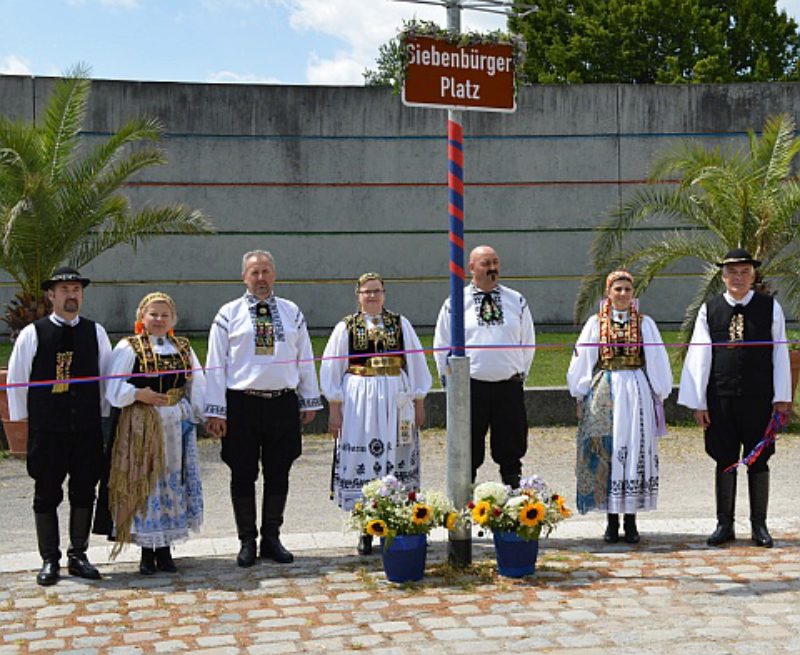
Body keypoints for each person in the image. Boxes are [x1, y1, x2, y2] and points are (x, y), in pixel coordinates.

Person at [204, 250, 322, 567]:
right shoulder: (228, 314)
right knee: (242, 474)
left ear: (274, 275)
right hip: (241, 404)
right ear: (244, 277)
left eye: (266, 271)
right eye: (254, 272)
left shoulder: (291, 311)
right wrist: (215, 410)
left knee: (278, 472)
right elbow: (215, 363)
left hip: (281, 403)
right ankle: (247, 541)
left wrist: (309, 397)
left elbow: (305, 356)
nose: (260, 278)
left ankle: (272, 538)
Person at [679, 248, 792, 548]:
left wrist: (782, 398)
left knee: (759, 460)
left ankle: (759, 526)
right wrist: (699, 403)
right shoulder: (710, 309)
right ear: (723, 276)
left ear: (752, 275)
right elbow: (699, 356)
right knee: (724, 458)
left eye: (744, 272)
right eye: (732, 273)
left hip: (759, 398)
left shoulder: (770, 307)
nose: (738, 278)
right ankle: (724, 524)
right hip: (721, 398)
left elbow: (780, 353)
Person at [7, 267, 112, 586]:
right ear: (51, 295)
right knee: (46, 493)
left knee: (84, 491)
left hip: (85, 429)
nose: (71, 295)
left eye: (76, 289)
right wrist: (24, 424)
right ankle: (49, 559)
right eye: (64, 289)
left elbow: (107, 379)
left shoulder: (96, 332)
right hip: (48, 430)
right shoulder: (33, 333)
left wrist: (104, 415)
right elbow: (17, 381)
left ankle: (78, 554)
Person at [320, 272, 432, 555]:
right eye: (366, 292)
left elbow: (416, 362)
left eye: (377, 291)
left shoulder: (400, 323)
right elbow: (332, 369)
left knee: (397, 454)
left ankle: (400, 526)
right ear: (358, 295)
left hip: (396, 396)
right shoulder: (346, 327)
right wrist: (335, 410)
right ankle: (365, 528)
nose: (372, 296)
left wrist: (419, 401)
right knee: (363, 457)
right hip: (359, 400)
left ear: (384, 293)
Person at [95, 292, 205, 574]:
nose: (158, 319)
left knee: (172, 482)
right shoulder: (129, 347)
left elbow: (197, 383)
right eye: (153, 314)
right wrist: (138, 393)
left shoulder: (182, 347)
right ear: (141, 317)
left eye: (164, 315)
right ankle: (147, 551)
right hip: (141, 425)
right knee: (145, 482)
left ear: (172, 319)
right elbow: (113, 388)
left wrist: (196, 412)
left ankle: (166, 549)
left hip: (176, 427)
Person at [566, 270, 672, 543]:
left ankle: (631, 521)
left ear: (633, 293)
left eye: (627, 289)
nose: (623, 294)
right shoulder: (595, 324)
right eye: (618, 290)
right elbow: (584, 357)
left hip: (636, 388)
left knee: (634, 449)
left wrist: (659, 391)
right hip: (605, 389)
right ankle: (611, 521)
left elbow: (657, 357)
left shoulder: (645, 324)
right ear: (608, 293)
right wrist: (580, 392)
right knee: (608, 451)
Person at [433, 245, 535, 488]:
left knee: (511, 447)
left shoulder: (516, 300)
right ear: (471, 268)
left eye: (495, 262)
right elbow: (442, 345)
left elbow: (528, 342)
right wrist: (450, 384)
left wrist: (519, 374)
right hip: (471, 388)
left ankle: (513, 500)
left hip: (507, 386)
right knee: (468, 449)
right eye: (485, 263)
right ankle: (464, 500)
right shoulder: (456, 303)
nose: (492, 268)